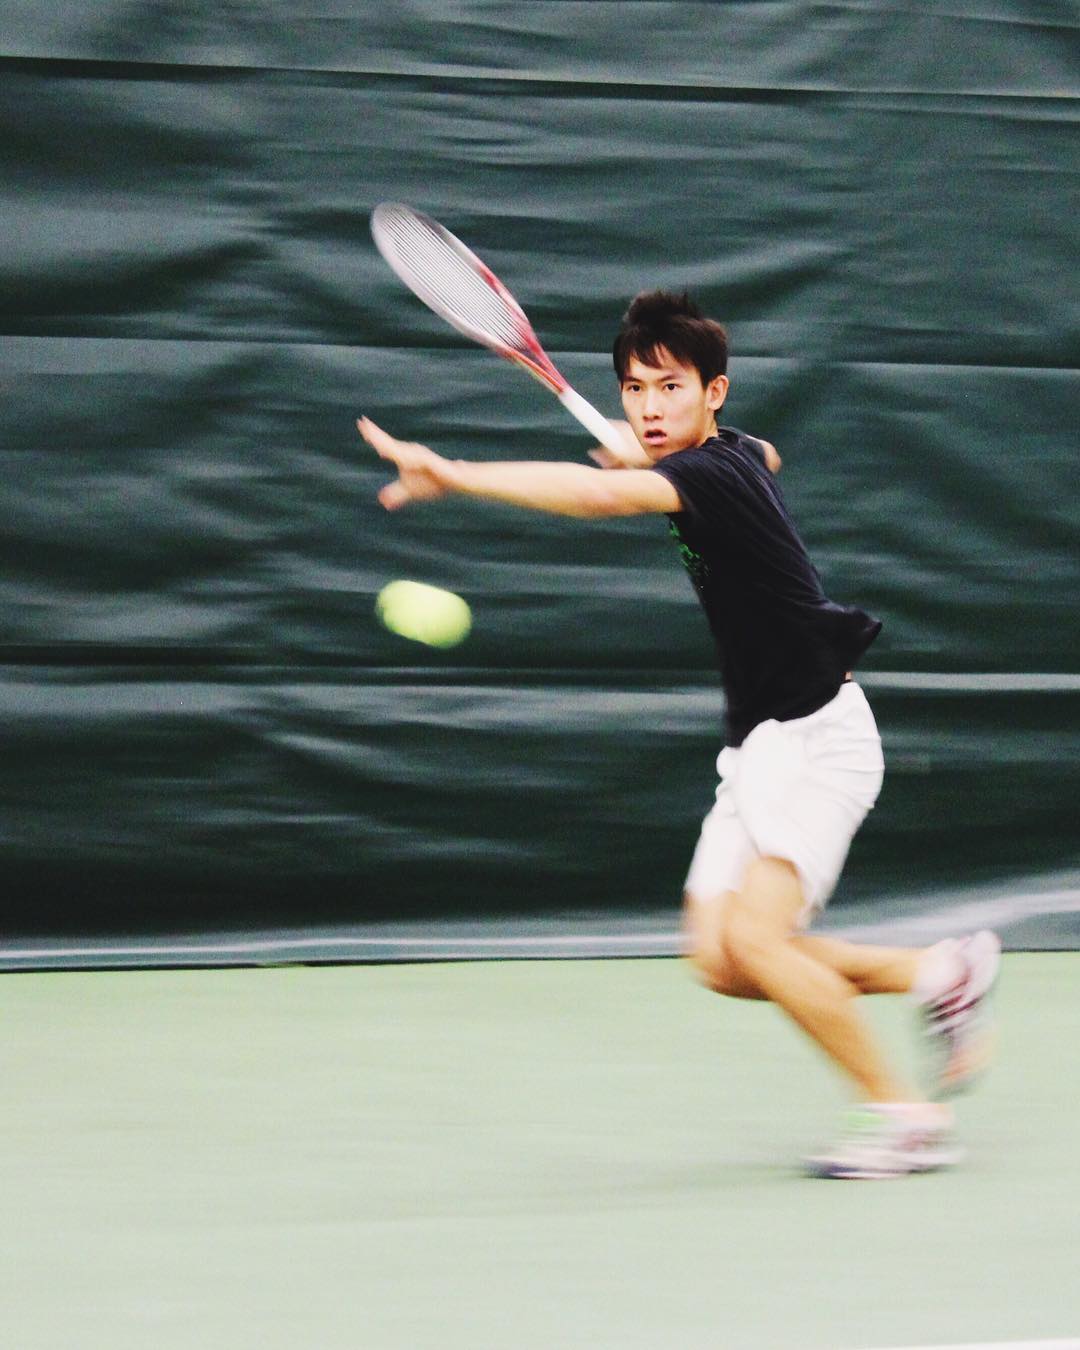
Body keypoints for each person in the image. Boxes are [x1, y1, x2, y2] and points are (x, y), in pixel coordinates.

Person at [359, 290, 1001, 1179]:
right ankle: (940, 971)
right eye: (634, 389)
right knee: (723, 960)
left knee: (766, 943)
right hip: (760, 747)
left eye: (671, 387)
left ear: (716, 391)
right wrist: (652, 456)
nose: (650, 407)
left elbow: (592, 494)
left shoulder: (706, 477)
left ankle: (905, 1116)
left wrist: (456, 473)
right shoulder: (733, 455)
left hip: (819, 742)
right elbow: (760, 454)